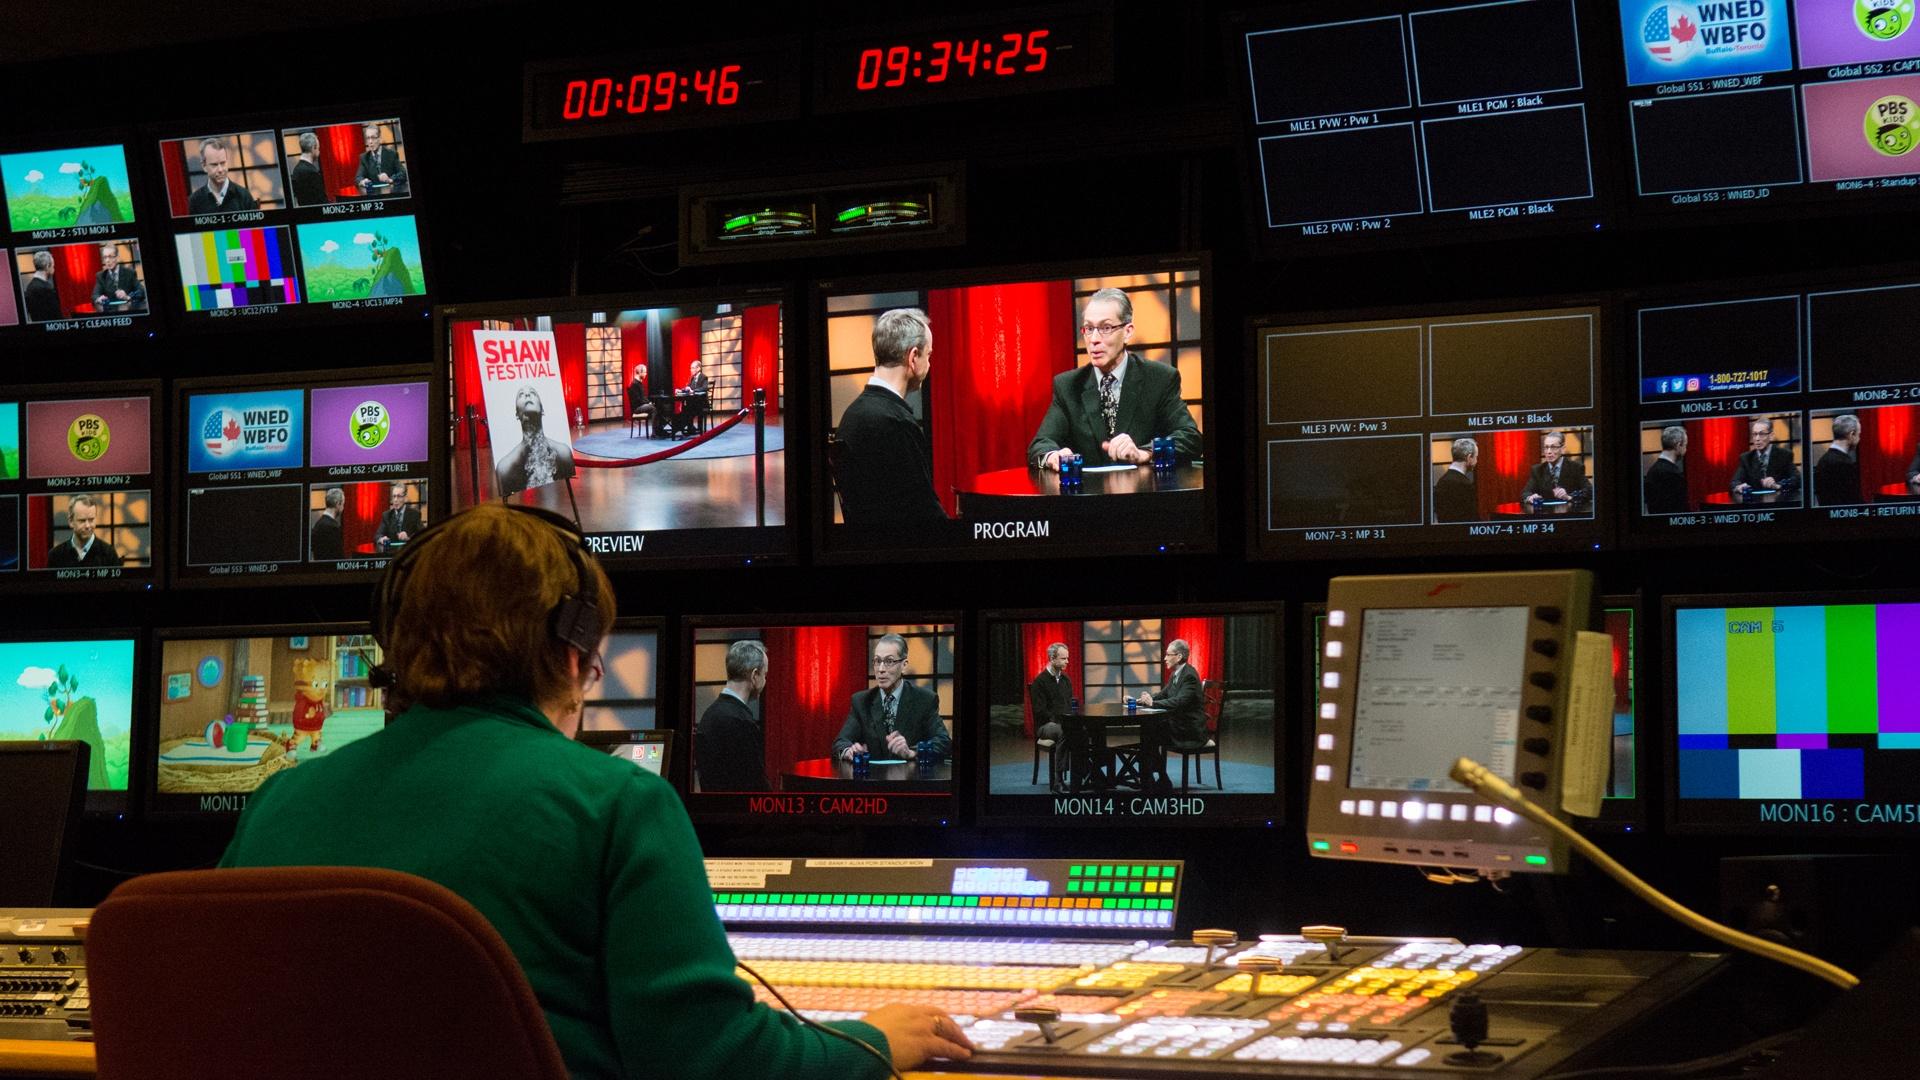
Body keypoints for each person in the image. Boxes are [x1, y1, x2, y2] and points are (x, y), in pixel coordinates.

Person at [221, 504, 970, 1078]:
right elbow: (713, 1062)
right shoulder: (616, 803)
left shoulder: (280, 800)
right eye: (594, 650)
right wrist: (870, 1044)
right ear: (572, 648)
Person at [1028, 288, 1203, 471]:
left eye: (1106, 328)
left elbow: (1190, 438)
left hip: (1144, 494)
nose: (1094, 339)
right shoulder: (1069, 385)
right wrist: (1052, 456)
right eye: (1088, 328)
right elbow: (1040, 445)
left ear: (1127, 332)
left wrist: (1146, 453)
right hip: (1089, 495)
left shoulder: (1159, 378)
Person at [833, 307, 947, 526]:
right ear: (913, 357)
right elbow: (926, 513)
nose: (929, 364)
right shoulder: (894, 423)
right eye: (929, 355)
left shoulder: (853, 414)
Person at [833, 634, 951, 763]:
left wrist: (912, 752)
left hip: (911, 779)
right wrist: (849, 751)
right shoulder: (861, 701)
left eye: (889, 661)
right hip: (873, 780)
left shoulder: (924, 700)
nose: (881, 669)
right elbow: (840, 742)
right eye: (877, 661)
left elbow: (943, 742)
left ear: (904, 665)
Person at [696, 640, 771, 792]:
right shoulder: (740, 722)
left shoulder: (710, 715)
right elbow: (756, 786)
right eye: (765, 674)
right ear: (754, 675)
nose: (765, 680)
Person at [494, 385, 576, 497]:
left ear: (542, 409)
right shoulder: (505, 468)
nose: (527, 395)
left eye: (533, 393)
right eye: (521, 395)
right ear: (517, 414)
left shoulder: (564, 453)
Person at [1028, 642, 1072, 788]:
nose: (1067, 661)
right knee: (1065, 731)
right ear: (1052, 659)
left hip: (1062, 722)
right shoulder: (1040, 681)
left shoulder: (1066, 680)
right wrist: (1059, 720)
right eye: (1063, 658)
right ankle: (1058, 779)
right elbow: (1039, 711)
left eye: (1067, 658)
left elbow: (1069, 705)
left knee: (1084, 731)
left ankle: (1085, 774)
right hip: (1045, 725)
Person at [46, 494, 121, 568]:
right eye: (82, 521)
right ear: (71, 522)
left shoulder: (109, 554)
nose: (87, 526)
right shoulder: (55, 555)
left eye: (91, 520)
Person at [1731, 417, 1800, 498]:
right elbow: (1734, 482)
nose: (1757, 439)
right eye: (1754, 434)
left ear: (1771, 436)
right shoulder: (1746, 458)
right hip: (1755, 504)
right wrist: (1739, 487)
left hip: (1778, 502)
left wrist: (1778, 485)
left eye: (1761, 434)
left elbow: (1797, 479)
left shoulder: (1784, 455)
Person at [186, 138, 257, 214]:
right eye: (214, 165)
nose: (220, 170)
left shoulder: (244, 196)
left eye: (223, 163)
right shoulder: (194, 201)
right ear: (204, 166)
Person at [1522, 431, 1588, 505]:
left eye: (1553, 447)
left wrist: (1569, 497)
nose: (1549, 451)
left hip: (1569, 513)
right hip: (1546, 514)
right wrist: (1530, 497)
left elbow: (1589, 491)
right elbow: (1525, 493)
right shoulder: (1538, 470)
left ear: (1563, 449)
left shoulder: (1576, 468)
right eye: (1546, 447)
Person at [1814, 414, 1862, 508]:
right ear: (1851, 434)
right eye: (1858, 435)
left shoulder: (1823, 460)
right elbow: (1853, 502)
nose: (1859, 439)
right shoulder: (1844, 464)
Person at [1644, 425, 1690, 515]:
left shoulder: (1652, 470)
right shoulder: (1673, 474)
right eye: (1685, 445)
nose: (1686, 449)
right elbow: (1680, 509)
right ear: (1678, 445)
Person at [1432, 437, 1479, 523]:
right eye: (1476, 457)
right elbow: (1469, 520)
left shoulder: (1442, 481)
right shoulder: (1465, 485)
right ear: (1469, 458)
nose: (1476, 461)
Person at [91, 244, 145, 314]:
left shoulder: (129, 273)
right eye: (105, 257)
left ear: (117, 257)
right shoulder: (101, 276)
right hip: (111, 314)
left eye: (110, 257)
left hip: (129, 312)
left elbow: (141, 291)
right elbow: (94, 295)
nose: (107, 260)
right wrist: (99, 299)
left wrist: (128, 297)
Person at [355, 125, 407, 196]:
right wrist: (363, 181)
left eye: (373, 138)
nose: (370, 142)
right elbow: (358, 177)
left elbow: (403, 174)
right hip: (374, 196)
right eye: (368, 138)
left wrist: (390, 179)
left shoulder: (391, 154)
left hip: (392, 194)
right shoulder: (364, 157)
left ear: (380, 138)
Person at [374, 484, 422, 551]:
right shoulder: (387, 515)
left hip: (409, 552)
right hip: (391, 554)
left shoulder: (414, 514)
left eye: (399, 496)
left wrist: (409, 538)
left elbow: (422, 535)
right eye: (394, 496)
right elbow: (378, 535)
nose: (395, 500)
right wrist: (381, 539)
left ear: (405, 498)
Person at [289, 131, 327, 207]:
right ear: (314, 148)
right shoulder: (311, 172)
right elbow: (321, 202)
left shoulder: (297, 169)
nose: (319, 152)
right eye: (318, 148)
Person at [23, 251, 60, 322]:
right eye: (53, 266)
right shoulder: (46, 289)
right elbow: (56, 316)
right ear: (47, 266)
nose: (54, 270)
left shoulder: (30, 286)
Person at [309, 487, 345, 561]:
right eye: (343, 504)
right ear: (337, 504)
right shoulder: (333, 527)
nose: (343, 508)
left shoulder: (318, 524)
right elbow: (338, 557)